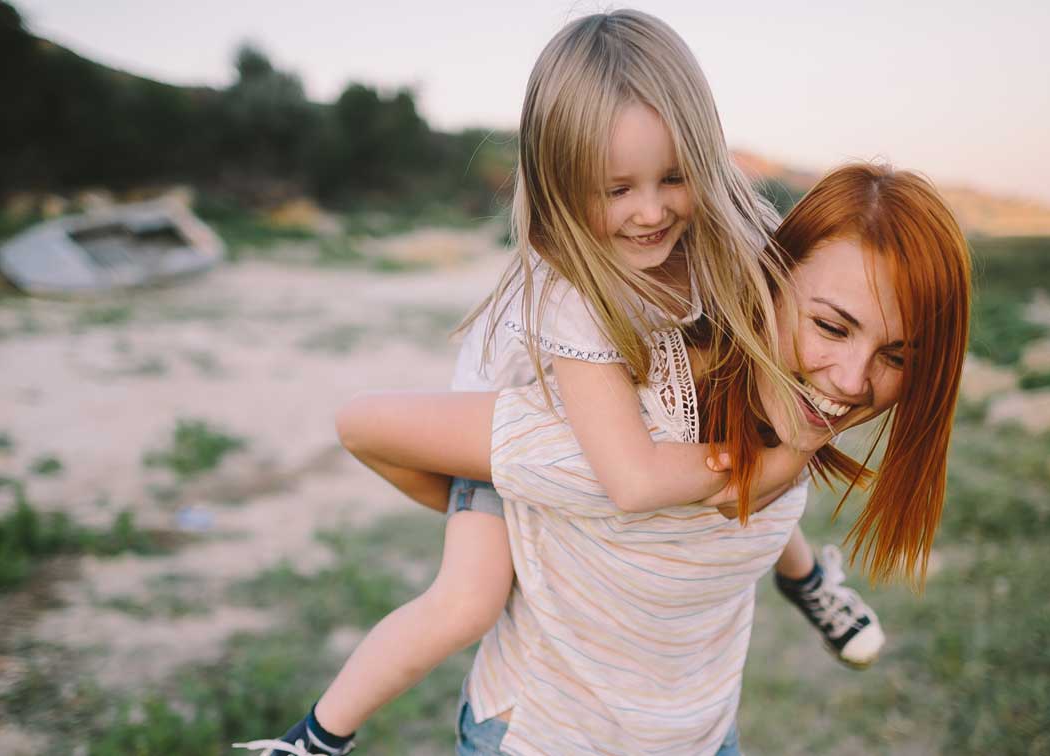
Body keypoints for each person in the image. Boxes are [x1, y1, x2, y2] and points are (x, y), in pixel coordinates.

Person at [234, 10, 881, 756]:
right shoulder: (572, 287)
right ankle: (313, 739)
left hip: (638, 441)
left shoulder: (732, 230)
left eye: (675, 177)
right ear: (560, 182)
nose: (650, 210)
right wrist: (791, 451)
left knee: (722, 427)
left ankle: (806, 583)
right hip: (507, 420)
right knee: (467, 601)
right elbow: (633, 480)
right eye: (616, 189)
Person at [337, 162, 971, 754]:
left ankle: (806, 582)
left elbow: (744, 502)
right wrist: (509, 507)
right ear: (772, 283)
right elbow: (364, 427)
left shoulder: (785, 402)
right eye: (832, 327)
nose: (855, 382)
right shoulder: (609, 431)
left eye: (898, 358)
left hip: (706, 734)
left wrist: (771, 473)